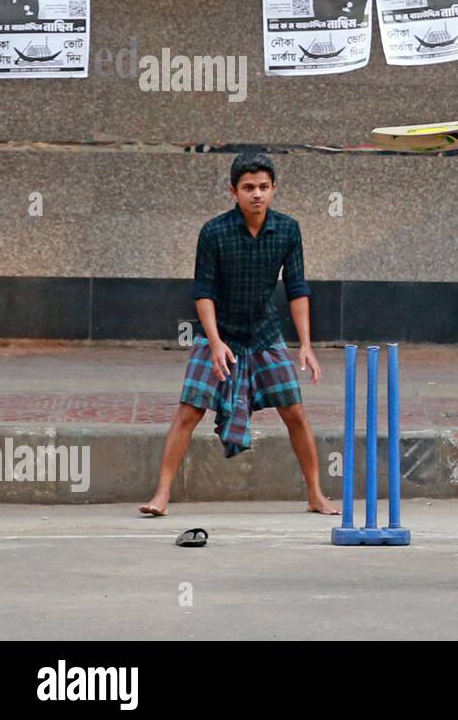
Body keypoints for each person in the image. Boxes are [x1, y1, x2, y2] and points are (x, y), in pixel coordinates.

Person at [139, 153, 336, 517]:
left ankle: (315, 494)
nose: (256, 195)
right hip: (220, 332)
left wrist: (306, 344)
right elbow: (203, 292)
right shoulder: (214, 232)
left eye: (263, 187)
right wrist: (214, 343)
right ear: (233, 191)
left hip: (265, 333)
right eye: (248, 188)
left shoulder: (288, 230)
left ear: (274, 189)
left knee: (294, 411)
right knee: (189, 410)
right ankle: (162, 495)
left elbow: (297, 289)